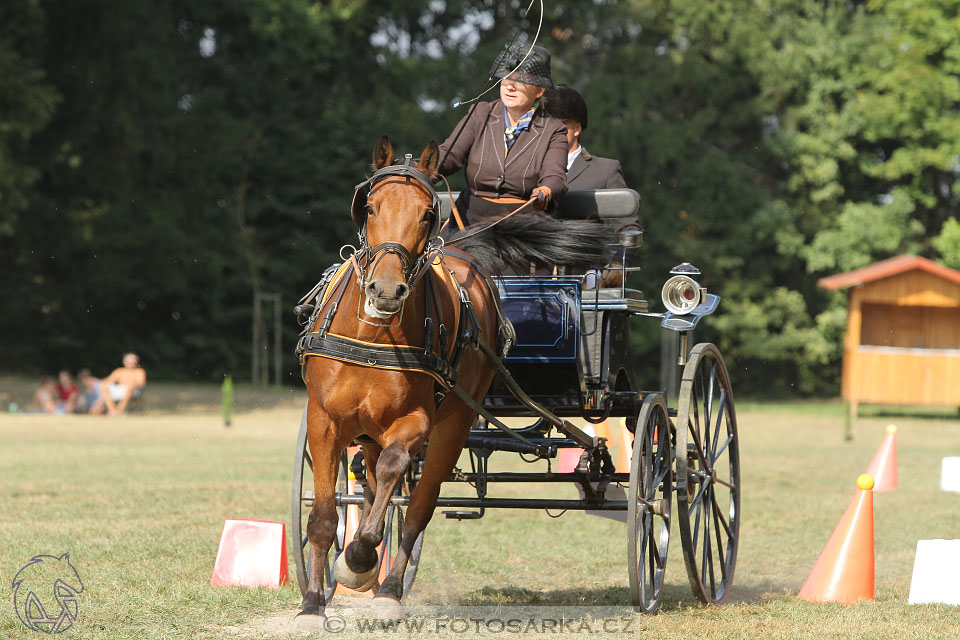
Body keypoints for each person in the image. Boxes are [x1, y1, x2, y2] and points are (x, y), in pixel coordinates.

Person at [438, 42, 568, 230]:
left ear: (540, 90)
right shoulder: (480, 113)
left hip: (522, 227)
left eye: (521, 80)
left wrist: (545, 191)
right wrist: (420, 169)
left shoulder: (553, 130)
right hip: (468, 222)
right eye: (506, 78)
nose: (510, 86)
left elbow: (555, 177)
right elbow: (450, 154)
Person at [542, 84, 641, 233]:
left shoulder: (605, 170)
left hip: (584, 253)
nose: (551, 132)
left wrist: (623, 253)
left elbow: (627, 226)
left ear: (576, 129)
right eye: (546, 126)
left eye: (559, 126)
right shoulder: (529, 167)